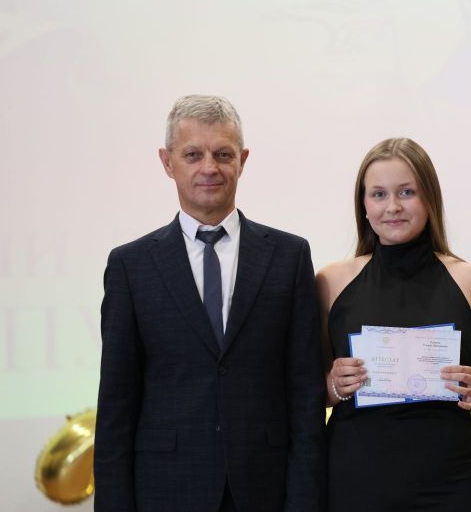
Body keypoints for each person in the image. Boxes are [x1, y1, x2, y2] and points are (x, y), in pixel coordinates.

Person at [93, 95, 326, 512]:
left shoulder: (289, 257)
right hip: (166, 491)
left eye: (223, 154)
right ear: (167, 162)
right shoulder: (131, 266)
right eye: (192, 155)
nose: (209, 168)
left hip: (266, 488)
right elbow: (116, 404)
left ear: (243, 160)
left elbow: (305, 395)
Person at [317, 137, 471, 511]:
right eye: (378, 194)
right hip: (354, 480)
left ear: (429, 199)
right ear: (363, 205)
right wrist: (333, 385)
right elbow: (304, 389)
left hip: (449, 481)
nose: (392, 206)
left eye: (407, 192)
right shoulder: (330, 282)